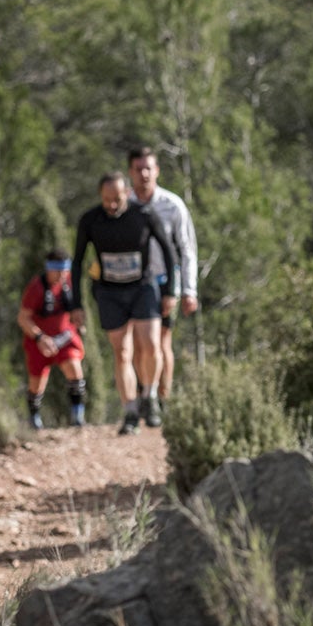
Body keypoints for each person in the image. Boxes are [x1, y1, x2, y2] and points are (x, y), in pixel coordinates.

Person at [71, 172, 178, 435]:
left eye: (117, 198)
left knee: (151, 344)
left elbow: (168, 249)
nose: (112, 204)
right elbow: (77, 262)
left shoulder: (144, 214)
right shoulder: (90, 220)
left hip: (143, 286)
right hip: (109, 292)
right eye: (107, 199)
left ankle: (150, 396)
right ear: (100, 196)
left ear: (127, 193)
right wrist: (77, 304)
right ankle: (130, 410)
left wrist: (170, 291)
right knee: (122, 352)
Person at [127, 146, 200, 428]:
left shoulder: (172, 205)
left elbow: (187, 249)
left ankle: (161, 398)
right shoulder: (125, 204)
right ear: (131, 172)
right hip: (133, 283)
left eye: (149, 168)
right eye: (138, 169)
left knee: (160, 342)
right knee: (135, 344)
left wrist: (188, 291)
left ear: (157, 170)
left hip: (165, 282)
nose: (144, 174)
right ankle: (144, 394)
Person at [17, 250, 88, 429]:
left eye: (65, 271)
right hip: (38, 341)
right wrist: (40, 337)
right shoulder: (36, 288)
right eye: (58, 271)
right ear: (49, 269)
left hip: (64, 336)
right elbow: (23, 318)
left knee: (75, 371)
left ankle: (77, 417)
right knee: (37, 384)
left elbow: (76, 307)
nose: (62, 275)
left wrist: (79, 320)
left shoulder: (70, 283)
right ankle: (34, 420)